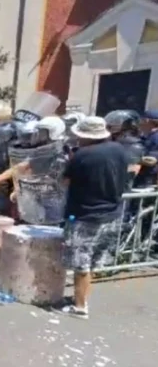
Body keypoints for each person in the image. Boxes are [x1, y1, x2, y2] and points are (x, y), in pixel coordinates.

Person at [58, 117, 136, 320]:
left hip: (85, 215)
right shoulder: (119, 150)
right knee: (92, 262)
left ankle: (80, 307)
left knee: (80, 264)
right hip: (112, 214)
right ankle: (81, 299)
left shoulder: (81, 155)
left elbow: (64, 182)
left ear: (84, 135)